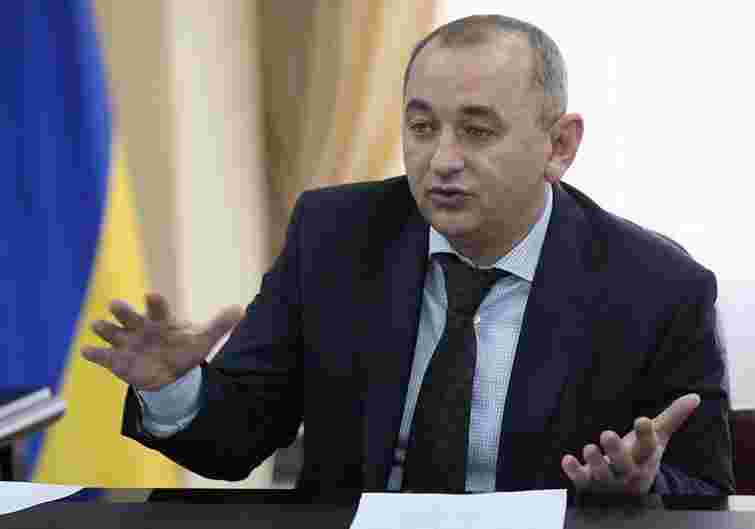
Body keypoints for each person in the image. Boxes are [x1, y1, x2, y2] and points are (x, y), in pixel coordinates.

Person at [82, 14, 734, 495]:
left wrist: (639, 486)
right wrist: (175, 388)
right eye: (422, 127)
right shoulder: (335, 235)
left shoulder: (656, 287)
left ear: (558, 146)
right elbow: (238, 439)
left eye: (476, 131)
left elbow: (704, 487)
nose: (441, 159)